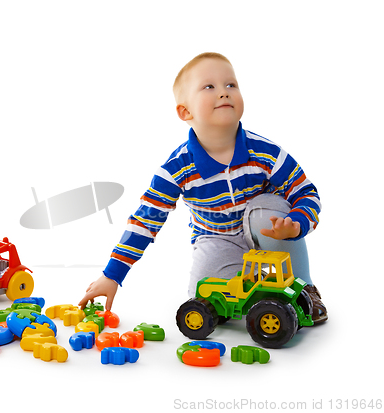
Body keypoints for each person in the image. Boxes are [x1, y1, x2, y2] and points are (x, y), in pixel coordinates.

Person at [78, 52, 327, 323]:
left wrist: (297, 222)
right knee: (203, 295)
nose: (224, 93)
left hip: (266, 230)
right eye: (209, 87)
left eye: (231, 85)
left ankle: (304, 289)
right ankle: (253, 284)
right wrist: (112, 275)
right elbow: (146, 220)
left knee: (266, 212)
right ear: (185, 112)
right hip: (216, 238)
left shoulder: (266, 153)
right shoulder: (177, 168)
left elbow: (306, 192)